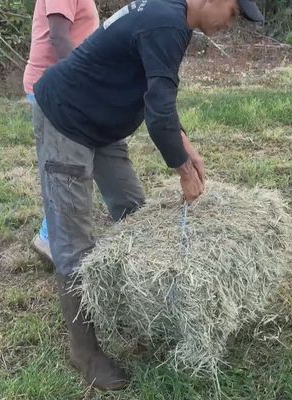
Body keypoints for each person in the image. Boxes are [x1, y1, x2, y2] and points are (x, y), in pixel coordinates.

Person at [33, 0, 264, 390]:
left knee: (134, 212)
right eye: (234, 11)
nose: (232, 22)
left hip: (102, 125)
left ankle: (140, 307)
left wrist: (185, 143)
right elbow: (157, 117)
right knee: (74, 241)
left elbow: (159, 98)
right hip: (67, 118)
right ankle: (84, 353)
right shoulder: (166, 22)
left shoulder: (171, 18)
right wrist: (183, 173)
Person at [23, 0, 100, 262]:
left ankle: (49, 235)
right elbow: (58, 36)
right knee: (64, 169)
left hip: (65, 87)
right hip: (55, 89)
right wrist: (87, 82)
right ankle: (49, 240)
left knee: (67, 169)